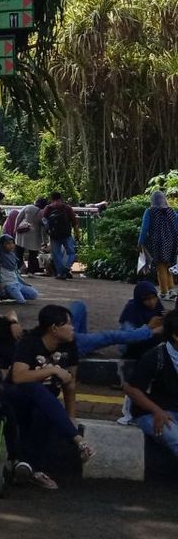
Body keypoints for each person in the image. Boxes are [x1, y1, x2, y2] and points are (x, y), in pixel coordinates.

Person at [6, 305, 94, 489]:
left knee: (44, 410)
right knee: (38, 390)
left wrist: (70, 416)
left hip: (45, 403)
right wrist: (52, 369)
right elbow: (18, 377)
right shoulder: (30, 342)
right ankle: (78, 441)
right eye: (68, 324)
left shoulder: (69, 345)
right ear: (54, 328)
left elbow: (70, 382)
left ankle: (31, 469)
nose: (72, 328)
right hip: (16, 397)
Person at [122, 309, 178, 461]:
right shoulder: (155, 357)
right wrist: (157, 410)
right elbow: (131, 389)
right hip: (152, 413)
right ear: (175, 336)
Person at [139, 190, 178, 300]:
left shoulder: (150, 212)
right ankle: (172, 291)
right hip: (172, 242)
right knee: (168, 267)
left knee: (160, 267)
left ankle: (163, 292)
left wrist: (140, 242)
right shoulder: (171, 212)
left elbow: (144, 229)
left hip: (157, 243)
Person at [0, 234, 39, 303]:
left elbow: (16, 271)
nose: (11, 245)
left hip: (17, 283)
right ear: (2, 244)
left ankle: (11, 295)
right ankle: (7, 293)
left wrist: (23, 282)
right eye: (8, 243)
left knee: (34, 294)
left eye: (12, 243)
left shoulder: (12, 255)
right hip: (7, 284)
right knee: (21, 301)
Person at [41, 192, 79, 280]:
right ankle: (66, 267)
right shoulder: (67, 208)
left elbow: (43, 220)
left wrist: (48, 231)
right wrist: (77, 234)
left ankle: (60, 273)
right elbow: (74, 223)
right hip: (66, 234)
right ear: (61, 198)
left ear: (51, 198)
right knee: (71, 252)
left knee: (56, 254)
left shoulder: (49, 208)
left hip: (54, 235)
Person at [15, 197, 48, 276]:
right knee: (33, 255)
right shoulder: (42, 212)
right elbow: (43, 227)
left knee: (19, 253)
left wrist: (15, 228)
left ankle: (18, 269)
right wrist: (45, 240)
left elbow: (18, 218)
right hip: (35, 236)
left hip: (22, 233)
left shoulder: (27, 207)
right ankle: (30, 271)